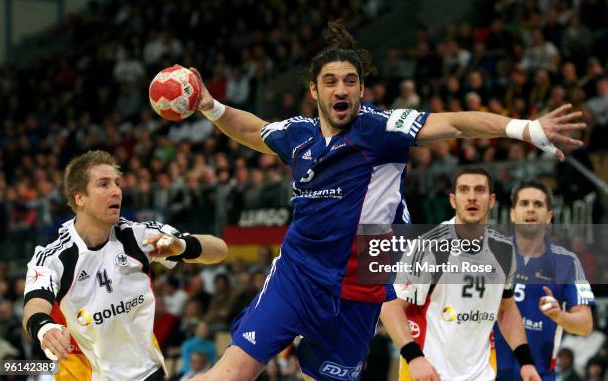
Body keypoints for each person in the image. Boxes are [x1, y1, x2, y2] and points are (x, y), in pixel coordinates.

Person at [189, 21, 585, 381]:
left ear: (361, 89)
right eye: (329, 81)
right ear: (314, 90)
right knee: (233, 371)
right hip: (298, 275)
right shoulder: (298, 134)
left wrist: (526, 129)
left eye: (349, 80)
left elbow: (457, 124)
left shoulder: (382, 129)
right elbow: (255, 131)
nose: (340, 89)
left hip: (359, 288)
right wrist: (211, 106)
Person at [22, 150, 228, 381]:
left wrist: (181, 246)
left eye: (117, 183)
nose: (116, 191)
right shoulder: (54, 256)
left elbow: (219, 250)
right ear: (80, 198)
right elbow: (35, 304)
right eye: (104, 184)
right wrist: (44, 329)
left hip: (148, 373)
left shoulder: (139, 237)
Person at [381, 167, 541, 381]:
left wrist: (526, 361)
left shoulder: (504, 250)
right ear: (453, 200)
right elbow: (389, 306)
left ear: (492, 200)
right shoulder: (429, 246)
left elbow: (506, 308)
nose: (472, 197)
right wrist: (414, 357)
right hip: (429, 373)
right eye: (464, 190)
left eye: (480, 190)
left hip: (481, 373)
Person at [494, 181, 594, 381]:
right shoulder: (492, 254)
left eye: (538, 204)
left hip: (539, 376)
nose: (531, 209)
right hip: (487, 374)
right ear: (513, 214)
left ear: (548, 216)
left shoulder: (567, 262)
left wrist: (560, 316)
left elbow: (585, 325)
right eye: (524, 203)